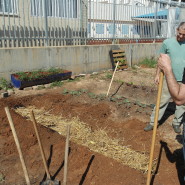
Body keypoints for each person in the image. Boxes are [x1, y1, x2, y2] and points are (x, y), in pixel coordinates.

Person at [144, 22, 185, 133]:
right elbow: (161, 60)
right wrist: (157, 74)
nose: (181, 36)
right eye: (180, 33)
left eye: (184, 35)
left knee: (182, 105)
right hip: (168, 78)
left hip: (183, 80)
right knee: (162, 101)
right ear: (177, 30)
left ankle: (176, 123)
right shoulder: (167, 43)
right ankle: (153, 123)